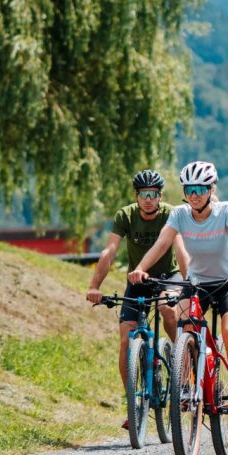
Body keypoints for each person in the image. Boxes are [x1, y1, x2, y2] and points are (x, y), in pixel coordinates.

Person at [128, 160, 228, 414]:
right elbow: (161, 244)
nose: (194, 195)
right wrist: (141, 269)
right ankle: (189, 384)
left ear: (211, 189)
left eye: (200, 189)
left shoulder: (226, 210)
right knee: (185, 328)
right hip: (197, 284)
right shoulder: (180, 214)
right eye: (189, 189)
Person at [86, 169, 190, 428]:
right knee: (125, 339)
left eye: (153, 194)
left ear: (160, 196)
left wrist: (190, 284)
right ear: (136, 195)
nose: (148, 199)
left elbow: (181, 250)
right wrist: (94, 286)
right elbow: (109, 251)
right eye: (144, 194)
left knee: (168, 309)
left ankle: (182, 362)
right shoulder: (126, 215)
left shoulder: (170, 214)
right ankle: (133, 404)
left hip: (169, 277)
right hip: (138, 280)